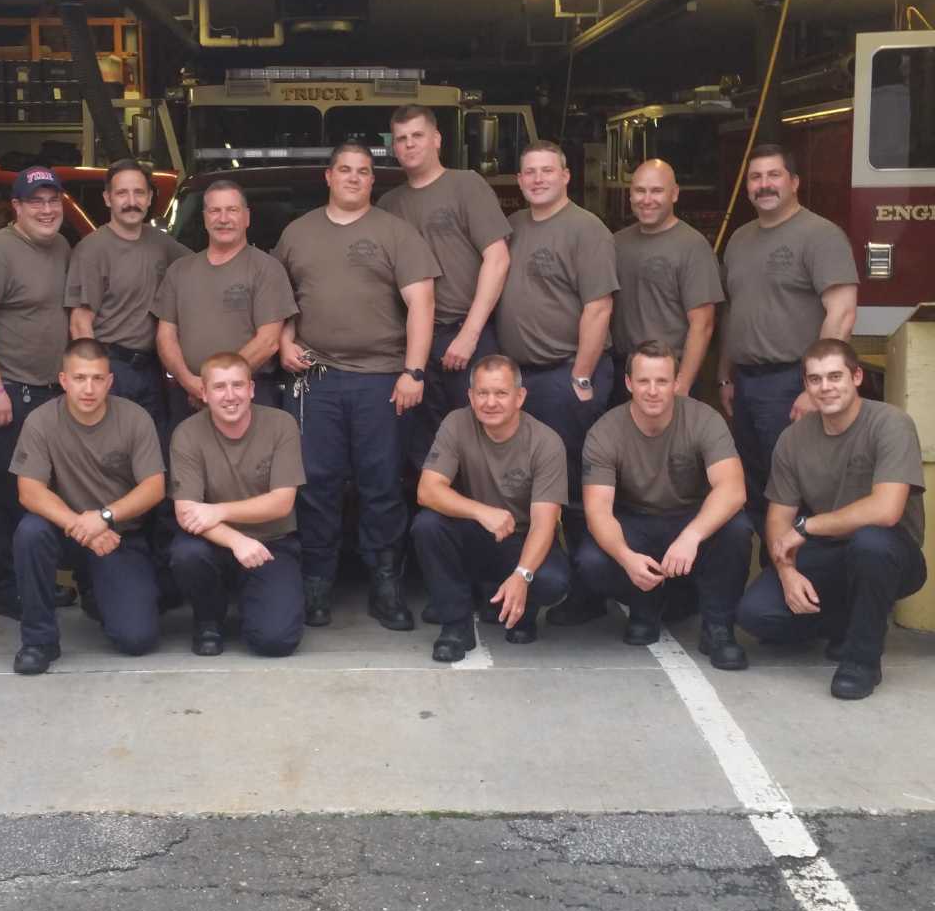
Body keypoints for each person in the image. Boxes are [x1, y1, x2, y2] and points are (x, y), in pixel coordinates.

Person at [274, 139, 439, 631]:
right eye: (344, 169)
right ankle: (316, 584)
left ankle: (385, 586)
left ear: (372, 180)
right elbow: (279, 300)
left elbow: (423, 304)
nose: (353, 178)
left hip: (381, 380)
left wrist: (413, 371)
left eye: (363, 171)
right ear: (328, 176)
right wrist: (283, 343)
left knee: (381, 484)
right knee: (316, 485)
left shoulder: (396, 232)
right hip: (315, 379)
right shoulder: (297, 233)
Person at [738, 339, 927, 700]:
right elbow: (778, 520)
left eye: (835, 376)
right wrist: (787, 573)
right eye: (815, 379)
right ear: (806, 386)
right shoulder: (793, 439)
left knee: (870, 543)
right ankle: (849, 623)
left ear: (856, 377)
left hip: (891, 553)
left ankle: (861, 661)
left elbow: (886, 510)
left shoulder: (891, 423)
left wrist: (807, 527)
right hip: (829, 552)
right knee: (756, 614)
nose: (825, 387)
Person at [576, 339, 751, 665]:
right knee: (591, 560)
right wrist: (626, 557)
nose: (653, 391)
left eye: (662, 381)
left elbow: (732, 489)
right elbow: (598, 510)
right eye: (643, 381)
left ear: (676, 383)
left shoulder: (704, 419)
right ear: (629, 383)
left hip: (690, 517)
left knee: (737, 529)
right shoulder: (605, 431)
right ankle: (645, 605)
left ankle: (718, 627)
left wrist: (691, 536)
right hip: (636, 520)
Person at [10, 338, 166, 674]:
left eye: (97, 378)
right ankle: (38, 640)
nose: (89, 388)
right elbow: (29, 491)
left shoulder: (135, 418)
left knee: (137, 638)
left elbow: (154, 487)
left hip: (117, 537)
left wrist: (105, 518)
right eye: (80, 378)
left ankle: (97, 591)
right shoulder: (41, 420)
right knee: (30, 532)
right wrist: (82, 525)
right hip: (65, 532)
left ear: (110, 381)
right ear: (64, 380)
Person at [719, 144, 857, 518]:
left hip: (792, 381)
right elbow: (735, 312)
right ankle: (770, 552)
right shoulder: (739, 239)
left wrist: (814, 388)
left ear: (794, 182)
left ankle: (798, 554)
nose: (764, 184)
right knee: (754, 483)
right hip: (745, 383)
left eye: (773, 175)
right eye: (755, 177)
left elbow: (842, 313)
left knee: (793, 484)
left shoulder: (821, 235)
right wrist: (725, 377)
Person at [0, 166, 71, 619]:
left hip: (49, 394)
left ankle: (36, 582)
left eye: (53, 201)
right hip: (8, 393)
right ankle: (8, 588)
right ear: (17, 207)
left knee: (41, 492)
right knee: (5, 495)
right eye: (36, 202)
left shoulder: (61, 247)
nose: (46, 210)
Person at [412, 353, 571, 663]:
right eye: (482, 393)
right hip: (479, 532)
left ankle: (520, 609)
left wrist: (522, 575)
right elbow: (427, 491)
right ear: (471, 396)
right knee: (428, 526)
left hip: (523, 539)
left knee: (553, 581)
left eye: (501, 393)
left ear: (519, 397)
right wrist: (481, 511)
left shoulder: (546, 442)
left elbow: (544, 524)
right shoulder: (456, 423)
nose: (490, 402)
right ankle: (456, 626)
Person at [379, 105, 511, 460]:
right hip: (415, 342)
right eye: (401, 139)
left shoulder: (466, 185)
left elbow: (498, 259)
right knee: (425, 443)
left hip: (466, 333)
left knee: (481, 435)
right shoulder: (389, 204)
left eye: (417, 136)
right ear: (394, 147)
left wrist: (469, 335)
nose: (409, 144)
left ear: (437, 139)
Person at [494, 140, 618, 492]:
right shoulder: (511, 226)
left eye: (547, 171)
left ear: (566, 176)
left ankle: (579, 530)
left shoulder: (588, 229)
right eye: (530, 172)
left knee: (570, 474)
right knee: (524, 473)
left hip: (565, 374)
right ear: (519, 180)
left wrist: (581, 377)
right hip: (520, 377)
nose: (538, 179)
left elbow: (599, 307)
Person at [169, 351, 306, 658]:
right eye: (219, 387)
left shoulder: (281, 424)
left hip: (271, 543)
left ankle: (257, 603)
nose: (230, 396)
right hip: (212, 542)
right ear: (204, 393)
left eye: (238, 385)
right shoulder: (187, 433)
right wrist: (236, 540)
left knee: (275, 641)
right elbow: (186, 512)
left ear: (252, 389)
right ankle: (208, 619)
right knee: (186, 554)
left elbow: (282, 503)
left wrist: (218, 510)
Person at [65, 158, 188, 450]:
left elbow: (204, 268)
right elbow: (80, 322)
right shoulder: (92, 250)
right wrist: (95, 379)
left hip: (152, 370)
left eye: (139, 193)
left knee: (152, 454)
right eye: (122, 193)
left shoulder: (161, 243)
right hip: (113, 367)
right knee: (112, 454)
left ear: (150, 198)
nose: (131, 202)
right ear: (108, 198)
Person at [155, 177, 295, 425]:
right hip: (187, 395)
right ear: (205, 217)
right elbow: (165, 337)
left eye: (232, 210)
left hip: (249, 395)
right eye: (215, 211)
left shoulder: (266, 269)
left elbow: (268, 341)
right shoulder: (179, 271)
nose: (223, 219)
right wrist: (190, 382)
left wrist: (218, 386)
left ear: (247, 217)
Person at [612, 160, 723, 397]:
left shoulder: (692, 246)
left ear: (674, 194)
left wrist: (682, 384)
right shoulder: (616, 243)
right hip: (623, 371)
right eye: (640, 190)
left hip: (669, 373)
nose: (647, 199)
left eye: (656, 191)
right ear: (630, 195)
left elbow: (703, 324)